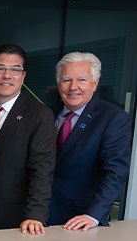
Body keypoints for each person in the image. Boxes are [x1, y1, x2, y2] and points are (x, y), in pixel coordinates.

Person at [49, 52, 131, 231]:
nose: (73, 87)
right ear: (58, 84)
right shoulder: (47, 113)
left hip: (81, 217)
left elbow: (115, 171)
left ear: (95, 83)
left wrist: (93, 215)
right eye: (66, 80)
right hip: (40, 214)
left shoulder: (113, 117)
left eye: (82, 80)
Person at [0, 44, 56, 234]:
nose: (7, 75)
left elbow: (42, 169)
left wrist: (36, 214)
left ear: (23, 77)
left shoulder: (39, 114)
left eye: (15, 70)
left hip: (16, 218)